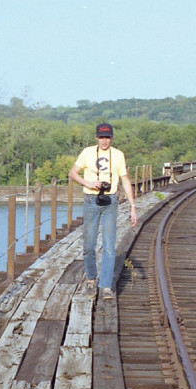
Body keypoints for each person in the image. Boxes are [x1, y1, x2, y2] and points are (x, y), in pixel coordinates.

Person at [68, 122, 137, 300]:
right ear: (96, 137)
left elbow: (125, 180)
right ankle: (91, 279)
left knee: (109, 245)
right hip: (91, 200)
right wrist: (88, 183)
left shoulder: (119, 155)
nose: (104, 141)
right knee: (89, 245)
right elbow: (73, 173)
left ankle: (106, 285)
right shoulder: (87, 152)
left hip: (110, 201)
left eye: (107, 137)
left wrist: (132, 206)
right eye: (101, 137)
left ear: (111, 138)